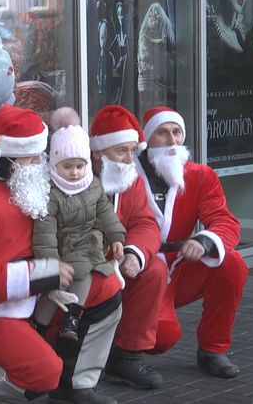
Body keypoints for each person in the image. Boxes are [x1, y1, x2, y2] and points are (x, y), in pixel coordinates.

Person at [0, 105, 122, 404]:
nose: (39, 163)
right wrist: (39, 274)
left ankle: (76, 383)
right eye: (31, 157)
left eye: (40, 155)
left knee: (107, 289)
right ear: (3, 159)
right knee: (44, 373)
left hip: (39, 298)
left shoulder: (36, 186)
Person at [135, 106, 248, 379]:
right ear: (147, 138)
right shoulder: (127, 174)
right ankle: (120, 345)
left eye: (177, 133)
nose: (172, 141)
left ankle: (213, 348)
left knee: (232, 263)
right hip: (140, 268)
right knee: (161, 338)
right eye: (162, 133)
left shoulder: (199, 175)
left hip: (179, 265)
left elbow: (225, 221)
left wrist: (205, 241)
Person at [88, 105, 166, 390]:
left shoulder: (128, 179)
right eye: (122, 151)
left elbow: (146, 222)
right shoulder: (75, 174)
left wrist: (135, 253)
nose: (130, 159)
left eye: (133, 151)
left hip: (118, 261)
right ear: (98, 152)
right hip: (83, 262)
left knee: (154, 268)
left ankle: (126, 356)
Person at [32, 122, 126, 343]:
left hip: (89, 243)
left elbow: (106, 212)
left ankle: (72, 316)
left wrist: (116, 236)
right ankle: (40, 324)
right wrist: (51, 264)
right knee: (56, 286)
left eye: (79, 166)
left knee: (82, 273)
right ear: (54, 164)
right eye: (67, 166)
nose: (74, 173)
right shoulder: (51, 193)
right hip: (64, 244)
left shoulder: (93, 185)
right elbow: (44, 234)